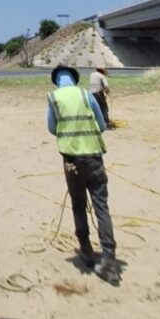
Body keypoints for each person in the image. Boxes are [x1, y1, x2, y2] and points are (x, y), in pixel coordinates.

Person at [47, 64, 119, 284]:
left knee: (78, 204)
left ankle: (86, 250)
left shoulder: (53, 97)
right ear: (74, 79)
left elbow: (51, 127)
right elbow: (101, 125)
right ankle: (109, 258)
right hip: (94, 157)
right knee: (101, 206)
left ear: (57, 80)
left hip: (71, 160)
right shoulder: (86, 95)